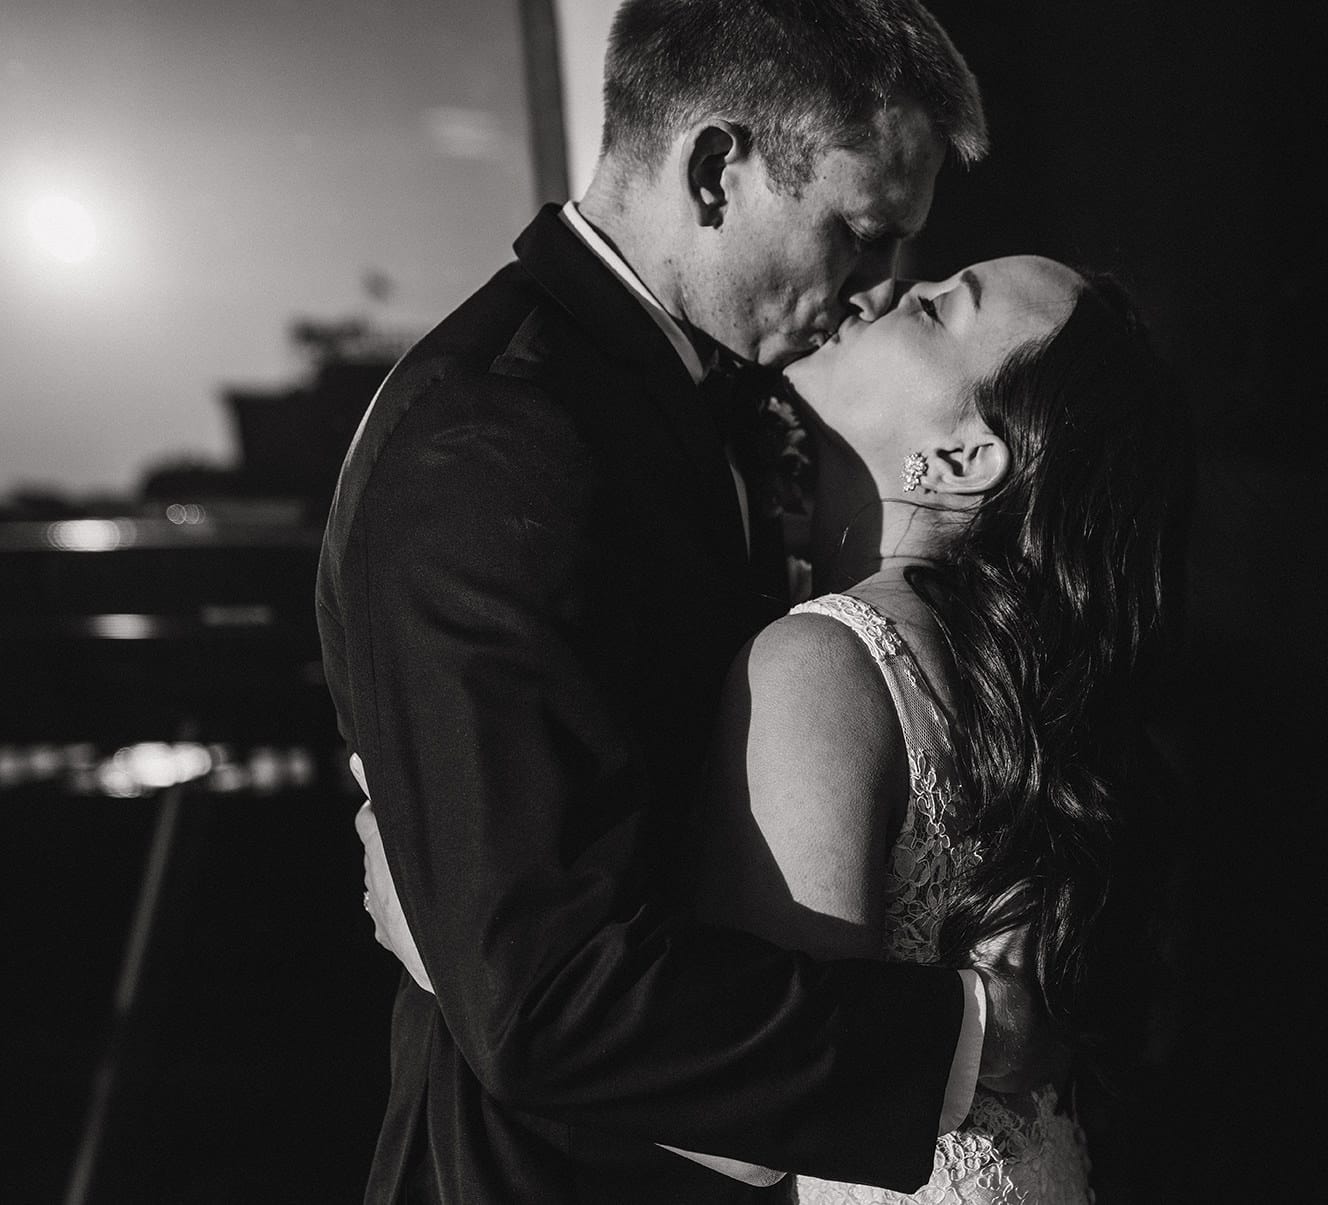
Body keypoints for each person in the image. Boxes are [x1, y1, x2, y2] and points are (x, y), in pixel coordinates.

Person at [316, 3, 1046, 1201]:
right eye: (858, 236)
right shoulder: (499, 443)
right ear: (717, 168)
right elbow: (552, 1002)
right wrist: (971, 1035)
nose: (872, 290)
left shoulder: (688, 389)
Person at [362, 255, 1192, 1201]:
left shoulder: (829, 659)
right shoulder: (1005, 681)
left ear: (963, 457)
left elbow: (747, 1131)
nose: (877, 293)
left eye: (928, 308)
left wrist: (453, 946)